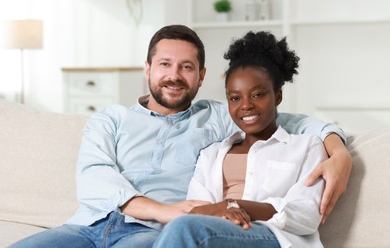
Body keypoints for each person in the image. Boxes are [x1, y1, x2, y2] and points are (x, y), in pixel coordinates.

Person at [10, 25, 351, 248]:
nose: (174, 76)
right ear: (148, 69)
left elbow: (285, 121)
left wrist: (339, 152)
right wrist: (161, 210)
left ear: (201, 76)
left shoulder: (217, 117)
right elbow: (94, 177)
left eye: (186, 67)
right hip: (87, 226)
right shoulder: (111, 119)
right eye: (165, 65)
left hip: (148, 236)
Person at [153, 30, 328, 248]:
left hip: (275, 238)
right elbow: (196, 210)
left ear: (278, 96)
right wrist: (222, 212)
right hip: (217, 234)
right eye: (235, 98)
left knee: (185, 229)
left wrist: (236, 206)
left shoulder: (306, 147)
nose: (246, 105)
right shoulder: (212, 154)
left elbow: (306, 215)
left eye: (257, 95)